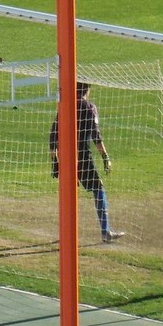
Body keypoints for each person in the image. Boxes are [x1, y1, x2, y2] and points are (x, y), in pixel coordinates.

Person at [50, 82, 125, 243]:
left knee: (69, 192)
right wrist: (106, 158)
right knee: (99, 188)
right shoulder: (89, 107)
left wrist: (55, 160)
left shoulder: (65, 106)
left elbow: (53, 134)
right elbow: (95, 135)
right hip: (83, 156)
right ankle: (105, 232)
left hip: (65, 156)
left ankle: (66, 234)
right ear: (87, 90)